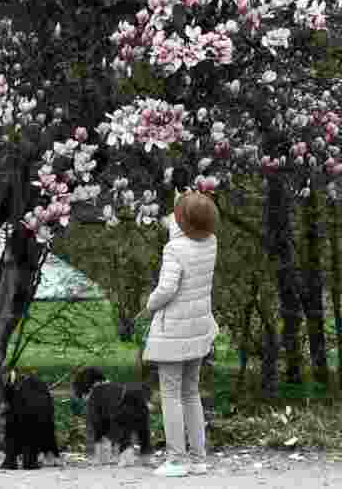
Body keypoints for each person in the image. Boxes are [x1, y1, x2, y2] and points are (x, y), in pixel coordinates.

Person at [137, 191, 219, 478]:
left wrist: (149, 305)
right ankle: (198, 459)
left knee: (170, 394)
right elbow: (187, 237)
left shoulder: (174, 250)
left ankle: (176, 459)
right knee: (191, 392)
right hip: (198, 328)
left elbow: (167, 289)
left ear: (182, 222)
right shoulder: (210, 242)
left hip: (173, 330)